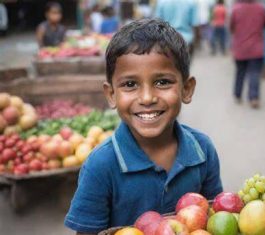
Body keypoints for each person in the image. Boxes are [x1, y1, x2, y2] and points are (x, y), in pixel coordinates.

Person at [64, 18, 223, 234]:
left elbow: (215, 219)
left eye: (162, 82)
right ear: (111, 95)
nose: (147, 98)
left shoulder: (202, 150)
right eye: (130, 84)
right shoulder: (100, 166)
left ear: (186, 89)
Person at [230, 0, 265, 109]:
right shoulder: (261, 9)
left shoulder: (236, 9)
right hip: (257, 48)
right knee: (254, 73)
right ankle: (254, 98)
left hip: (240, 48)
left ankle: (237, 95)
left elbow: (231, 27)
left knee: (240, 72)